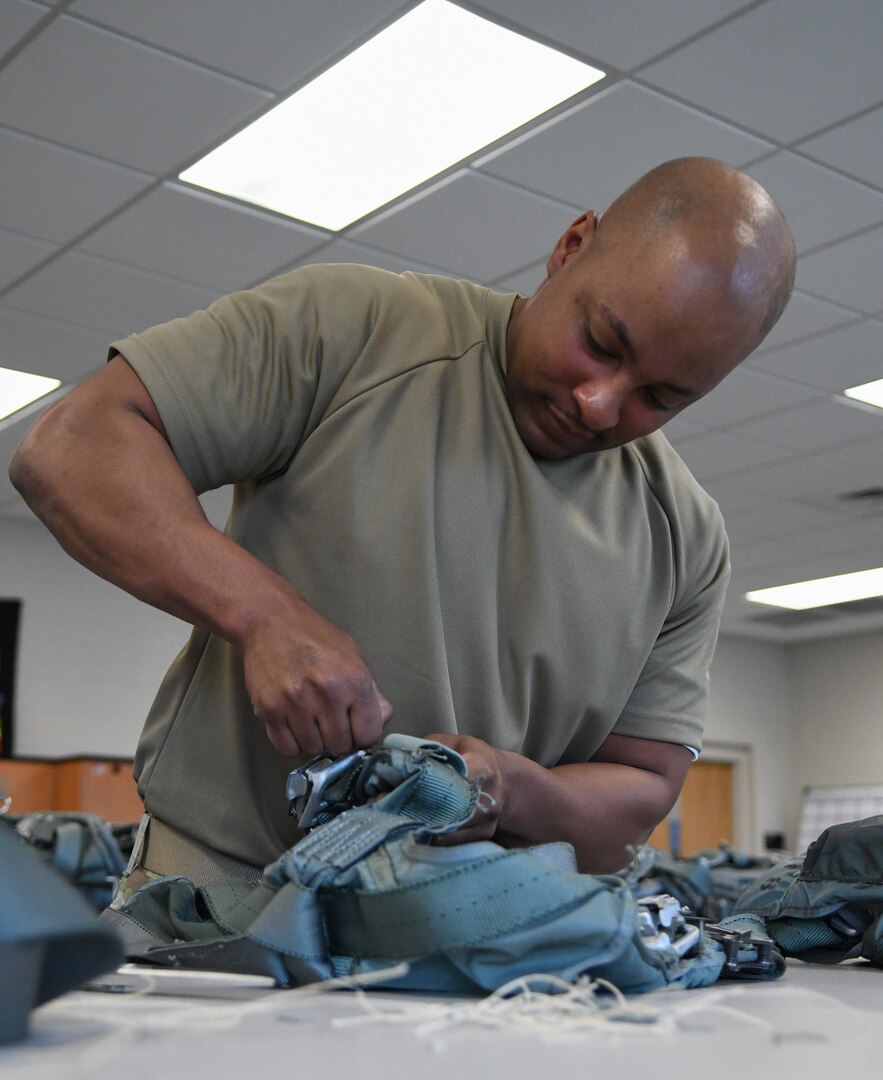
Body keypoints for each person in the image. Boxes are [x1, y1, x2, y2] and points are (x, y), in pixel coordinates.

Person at [9, 157, 795, 880]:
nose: (599, 403)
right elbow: (71, 446)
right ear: (570, 245)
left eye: (660, 397)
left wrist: (508, 792)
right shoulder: (357, 328)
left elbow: (643, 786)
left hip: (477, 939)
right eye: (599, 342)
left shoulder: (685, 535)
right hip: (218, 899)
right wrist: (265, 617)